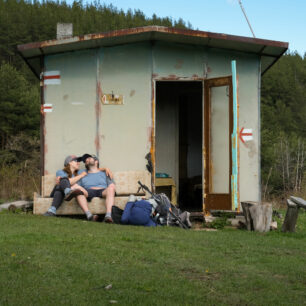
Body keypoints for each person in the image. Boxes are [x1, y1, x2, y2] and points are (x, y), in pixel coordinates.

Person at [43, 155, 98, 221]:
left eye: (79, 161)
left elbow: (94, 169)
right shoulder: (60, 172)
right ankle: (68, 192)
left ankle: (51, 211)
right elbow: (67, 181)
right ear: (69, 162)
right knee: (63, 180)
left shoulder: (80, 172)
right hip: (59, 192)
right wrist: (80, 176)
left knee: (62, 181)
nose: (78, 163)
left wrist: (106, 169)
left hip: (73, 195)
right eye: (76, 161)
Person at [78, 154, 116, 223]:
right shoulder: (81, 173)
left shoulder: (105, 172)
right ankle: (89, 216)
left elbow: (112, 185)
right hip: (88, 191)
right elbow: (77, 185)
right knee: (77, 191)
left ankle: (108, 216)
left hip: (103, 190)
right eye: (85, 161)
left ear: (96, 161)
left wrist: (105, 169)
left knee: (111, 187)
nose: (86, 160)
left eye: (89, 158)